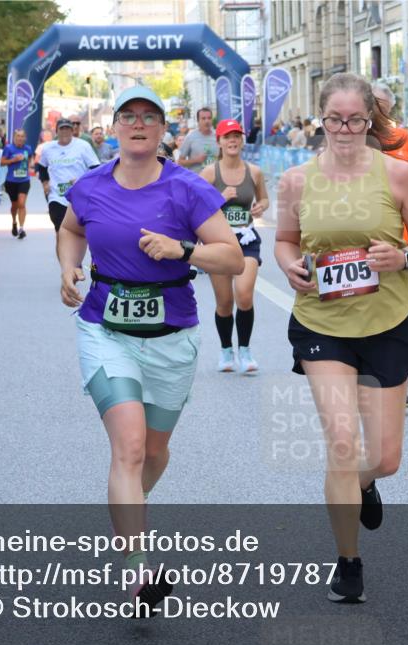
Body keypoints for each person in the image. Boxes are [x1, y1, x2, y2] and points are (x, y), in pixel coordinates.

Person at [58, 86, 242, 614]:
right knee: (131, 447)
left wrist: (182, 249)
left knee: (154, 454)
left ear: (164, 130)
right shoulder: (90, 186)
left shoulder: (186, 190)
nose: (138, 124)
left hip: (172, 335)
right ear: (114, 127)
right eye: (128, 116)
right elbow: (71, 230)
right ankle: (137, 573)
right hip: (104, 329)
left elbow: (231, 260)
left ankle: (126, 506)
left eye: (149, 117)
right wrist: (68, 266)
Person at [274, 73, 408, 604]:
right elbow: (284, 241)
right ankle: (348, 562)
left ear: (371, 121)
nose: (345, 129)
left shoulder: (399, 175)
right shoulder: (297, 180)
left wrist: (403, 257)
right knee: (342, 444)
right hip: (322, 323)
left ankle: (366, 483)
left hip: (387, 320)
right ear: (321, 119)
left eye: (357, 119)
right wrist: (290, 268)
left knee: (385, 459)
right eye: (335, 119)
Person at [199, 119, 270, 372]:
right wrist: (219, 198)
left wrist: (261, 206)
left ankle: (246, 351)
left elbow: (264, 199)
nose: (233, 141)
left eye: (237, 136)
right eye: (227, 137)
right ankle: (226, 351)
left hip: (246, 239)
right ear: (219, 142)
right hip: (218, 242)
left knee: (244, 295)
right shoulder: (209, 173)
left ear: (242, 140)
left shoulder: (254, 172)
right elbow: (194, 209)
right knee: (225, 302)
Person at [38, 117, 99, 252]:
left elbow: (96, 168)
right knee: (61, 232)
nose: (65, 132)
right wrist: (45, 182)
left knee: (81, 235)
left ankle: (77, 265)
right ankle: (67, 268)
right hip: (57, 197)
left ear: (72, 131)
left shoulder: (83, 146)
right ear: (56, 132)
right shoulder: (48, 148)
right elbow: (41, 167)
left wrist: (82, 180)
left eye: (68, 129)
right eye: (62, 129)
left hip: (80, 197)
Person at [0, 128, 34, 239]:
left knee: (22, 204)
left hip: (24, 180)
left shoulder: (28, 148)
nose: (20, 138)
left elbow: (30, 160)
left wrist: (29, 166)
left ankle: (21, 228)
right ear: (14, 138)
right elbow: (1, 162)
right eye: (18, 136)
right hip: (11, 181)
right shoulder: (9, 148)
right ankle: (14, 222)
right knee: (15, 205)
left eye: (22, 136)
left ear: (25, 138)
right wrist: (13, 160)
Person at [177, 107, 218, 174]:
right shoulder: (190, 137)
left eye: (209, 118)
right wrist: (196, 160)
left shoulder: (218, 135)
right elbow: (180, 162)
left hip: (215, 179)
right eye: (203, 118)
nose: (207, 121)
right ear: (198, 120)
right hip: (197, 180)